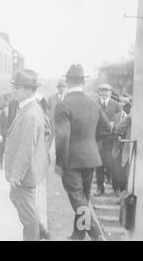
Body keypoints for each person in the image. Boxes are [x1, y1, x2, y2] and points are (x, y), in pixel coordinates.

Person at [54, 64, 112, 241]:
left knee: (78, 201)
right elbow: (107, 129)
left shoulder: (63, 106)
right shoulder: (93, 104)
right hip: (90, 159)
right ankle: (78, 235)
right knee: (83, 199)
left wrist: (59, 163)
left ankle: (97, 236)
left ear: (67, 81)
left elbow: (62, 139)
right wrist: (89, 141)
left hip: (71, 162)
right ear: (83, 82)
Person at [5, 69, 50, 241]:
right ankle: (41, 232)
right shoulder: (28, 107)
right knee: (19, 201)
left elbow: (26, 148)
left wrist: (16, 175)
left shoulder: (30, 114)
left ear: (29, 90)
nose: (13, 90)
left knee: (28, 218)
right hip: (27, 172)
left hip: (24, 174)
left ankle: (37, 234)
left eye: (17, 87)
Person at [94, 83, 121, 196]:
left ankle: (116, 188)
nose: (104, 93)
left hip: (111, 139)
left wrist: (114, 124)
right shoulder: (94, 104)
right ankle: (100, 188)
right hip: (98, 138)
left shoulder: (116, 105)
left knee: (113, 164)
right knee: (98, 164)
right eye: (102, 91)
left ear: (110, 92)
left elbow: (120, 119)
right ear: (99, 92)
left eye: (106, 91)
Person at [112, 95, 133, 199]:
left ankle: (125, 199)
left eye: (126, 102)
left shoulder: (130, 115)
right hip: (120, 149)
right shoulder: (117, 115)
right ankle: (123, 196)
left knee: (126, 175)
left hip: (128, 150)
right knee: (121, 173)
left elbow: (117, 127)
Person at [47, 79, 67, 144]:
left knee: (63, 144)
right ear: (58, 88)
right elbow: (47, 110)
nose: (62, 89)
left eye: (63, 87)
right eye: (60, 87)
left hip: (63, 125)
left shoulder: (68, 98)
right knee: (48, 142)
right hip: (53, 124)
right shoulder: (51, 98)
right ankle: (46, 153)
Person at [0, 104, 10, 170]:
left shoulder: (11, 116)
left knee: (9, 151)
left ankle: (8, 164)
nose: (7, 109)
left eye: (7, 108)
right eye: (5, 108)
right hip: (3, 136)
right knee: (2, 150)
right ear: (3, 109)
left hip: (9, 136)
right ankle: (1, 163)